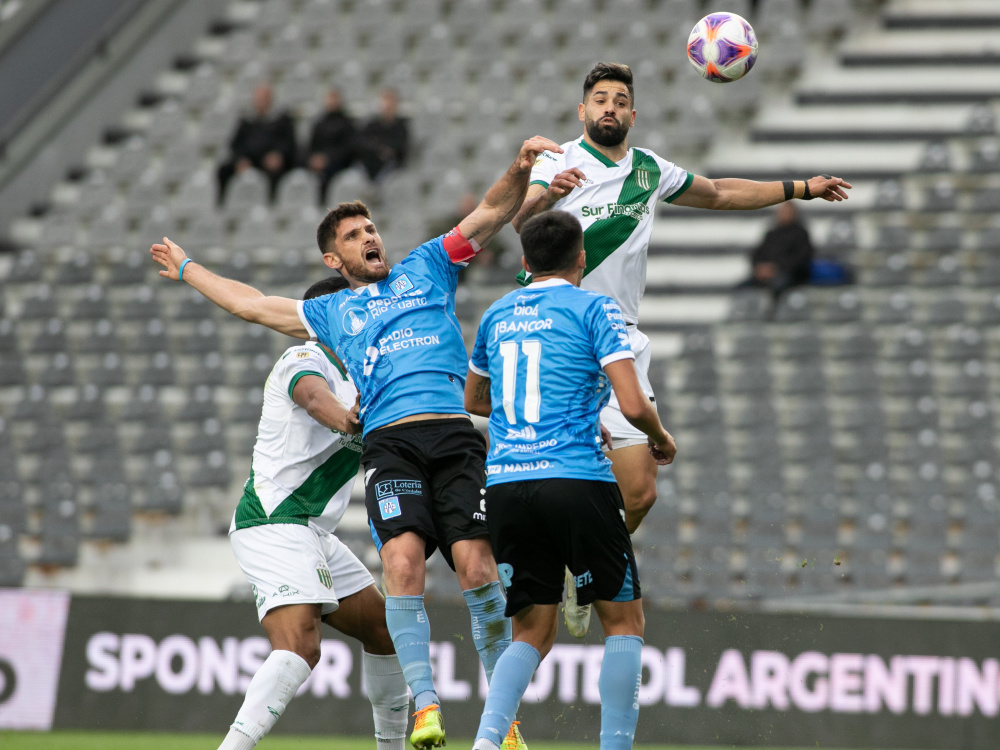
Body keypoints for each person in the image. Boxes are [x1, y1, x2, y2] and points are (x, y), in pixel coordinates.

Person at [149, 135, 563, 750]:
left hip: (449, 439)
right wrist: (189, 270)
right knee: (386, 578)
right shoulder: (326, 327)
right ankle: (422, 713)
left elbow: (489, 213)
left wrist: (521, 169)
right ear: (332, 261)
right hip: (359, 467)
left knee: (466, 576)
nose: (369, 237)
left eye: (370, 228)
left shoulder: (428, 265)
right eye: (352, 236)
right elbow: (255, 306)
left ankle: (498, 725)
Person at [510, 61, 851, 635]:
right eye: (600, 98)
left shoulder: (648, 170)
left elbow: (719, 193)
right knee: (553, 486)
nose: (610, 107)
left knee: (641, 492)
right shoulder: (556, 160)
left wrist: (800, 188)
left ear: (634, 114)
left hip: (618, 342)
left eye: (620, 99)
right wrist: (543, 201)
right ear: (582, 111)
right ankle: (532, 582)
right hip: (557, 338)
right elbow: (519, 224)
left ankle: (581, 571)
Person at [463, 210, 676, 750]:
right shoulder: (595, 307)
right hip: (575, 476)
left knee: (531, 631)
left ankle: (487, 743)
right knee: (624, 622)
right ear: (582, 258)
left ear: (525, 262)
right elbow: (630, 402)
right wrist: (659, 436)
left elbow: (475, 401)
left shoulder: (495, 314)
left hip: (507, 485)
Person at [219, 275, 409, 750]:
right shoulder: (304, 356)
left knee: (386, 631)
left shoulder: (369, 374)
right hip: (273, 520)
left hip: (313, 531)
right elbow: (313, 397)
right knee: (300, 645)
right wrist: (348, 419)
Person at [217, 83, 297, 204]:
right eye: (258, 98)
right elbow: (235, 144)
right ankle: (224, 204)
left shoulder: (282, 120)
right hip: (249, 161)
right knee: (224, 170)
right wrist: (240, 159)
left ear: (270, 99)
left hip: (270, 163)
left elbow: (289, 143)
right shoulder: (246, 122)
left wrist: (279, 155)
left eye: (264, 98)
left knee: (275, 174)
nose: (260, 101)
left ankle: (270, 205)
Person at [740, 201, 815, 299]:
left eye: (787, 211)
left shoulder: (801, 234)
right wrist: (759, 268)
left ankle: (772, 313)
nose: (784, 214)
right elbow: (757, 253)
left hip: (790, 275)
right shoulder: (771, 234)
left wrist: (775, 268)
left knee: (778, 287)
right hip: (766, 274)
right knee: (742, 288)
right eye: (782, 211)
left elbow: (802, 258)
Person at [305, 88, 357, 205]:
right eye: (330, 98)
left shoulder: (348, 123)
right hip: (318, 167)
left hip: (339, 166)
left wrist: (327, 159)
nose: (332, 102)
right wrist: (313, 160)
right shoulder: (319, 123)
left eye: (335, 98)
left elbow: (349, 149)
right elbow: (310, 147)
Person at [355, 88, 409, 182]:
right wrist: (378, 149)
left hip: (391, 167)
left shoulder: (401, 127)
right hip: (370, 163)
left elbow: (399, 147)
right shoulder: (372, 125)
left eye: (391, 101)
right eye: (385, 101)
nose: (387, 105)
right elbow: (362, 142)